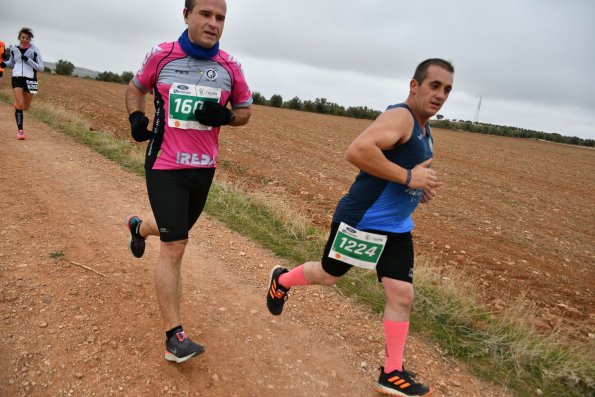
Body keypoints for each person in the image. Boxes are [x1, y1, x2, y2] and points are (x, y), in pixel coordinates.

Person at [266, 58, 454, 397]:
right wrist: (409, 177)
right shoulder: (401, 117)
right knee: (329, 274)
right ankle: (281, 280)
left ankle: (391, 372)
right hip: (362, 222)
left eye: (447, 90)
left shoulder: (426, 131)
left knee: (402, 294)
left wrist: (418, 188)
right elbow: (357, 150)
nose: (441, 94)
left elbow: (402, 170)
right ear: (415, 85)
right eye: (435, 86)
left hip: (396, 227)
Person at [125, 0, 252, 364]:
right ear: (186, 15)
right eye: (206, 14)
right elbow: (135, 88)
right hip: (164, 163)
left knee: (170, 232)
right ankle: (173, 337)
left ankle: (138, 227)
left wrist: (227, 117)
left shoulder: (230, 67)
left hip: (203, 169)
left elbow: (245, 113)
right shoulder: (162, 56)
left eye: (220, 18)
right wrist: (136, 116)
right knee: (176, 245)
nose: (213, 23)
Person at [0, 28, 44, 140]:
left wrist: (29, 60)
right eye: (23, 37)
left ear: (30, 39)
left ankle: (18, 106)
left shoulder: (35, 50)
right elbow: (12, 63)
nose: (25, 40)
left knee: (26, 107)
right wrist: (5, 64)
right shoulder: (14, 50)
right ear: (19, 37)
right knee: (20, 105)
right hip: (17, 78)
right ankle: (20, 131)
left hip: (32, 80)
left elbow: (41, 68)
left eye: (27, 38)